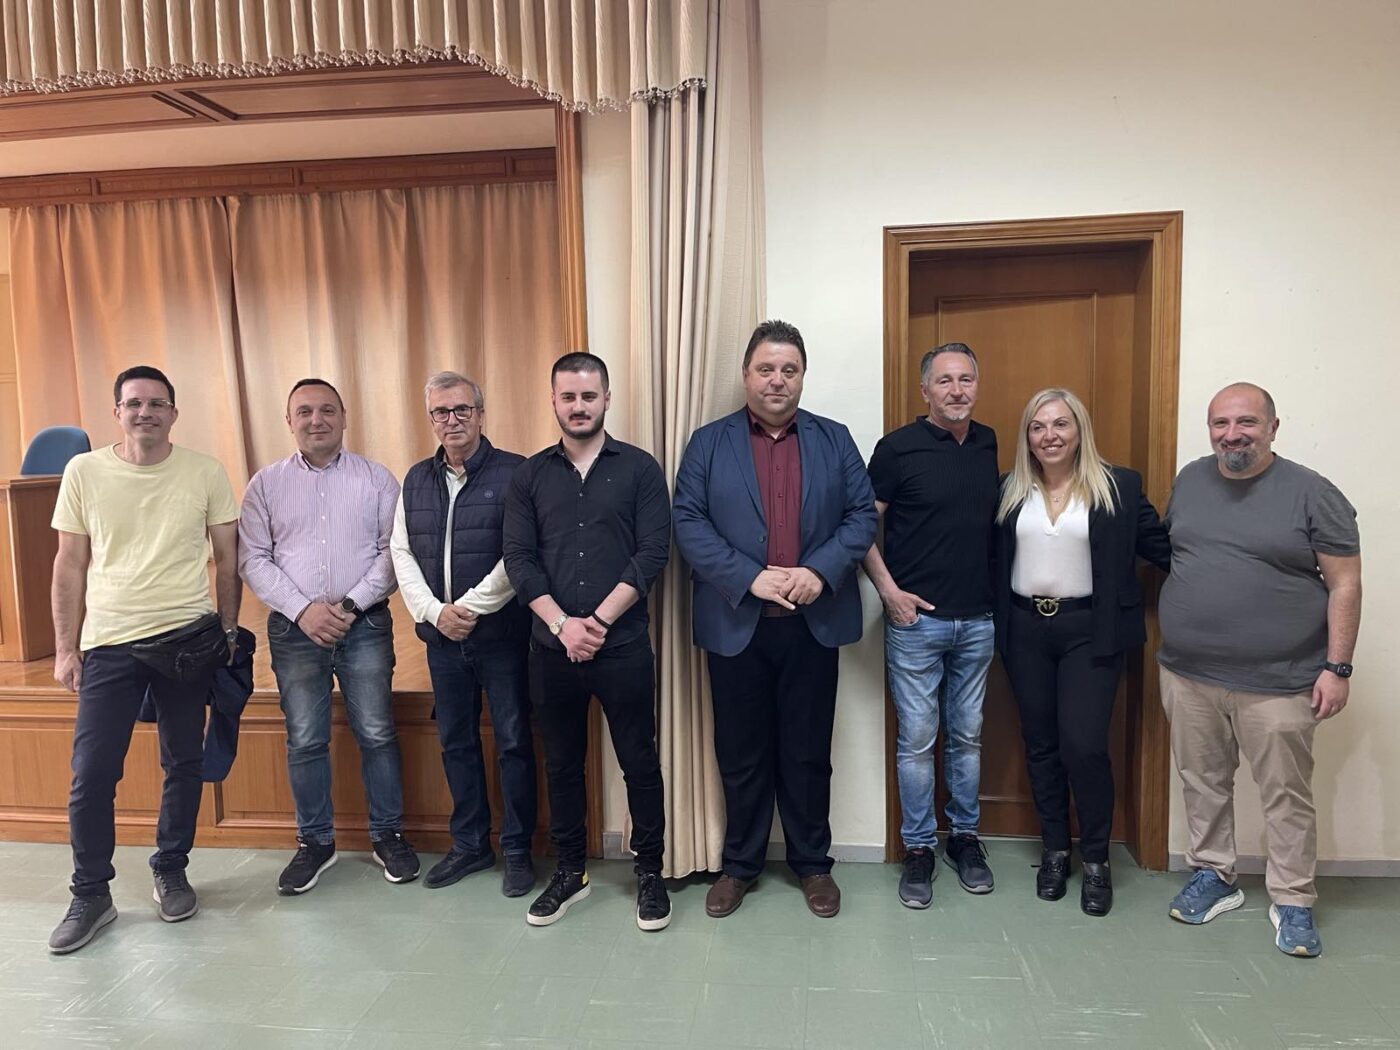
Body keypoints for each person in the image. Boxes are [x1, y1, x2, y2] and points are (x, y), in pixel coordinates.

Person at [674, 320, 877, 920]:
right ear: (746, 375)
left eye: (789, 370)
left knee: (808, 752)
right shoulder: (708, 443)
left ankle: (813, 864)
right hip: (736, 622)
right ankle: (740, 866)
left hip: (813, 623)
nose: (777, 380)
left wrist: (819, 570)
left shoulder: (835, 439)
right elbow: (688, 521)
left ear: (802, 376)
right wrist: (748, 577)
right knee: (741, 753)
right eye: (766, 369)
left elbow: (862, 517)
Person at [1159, 383, 1361, 957]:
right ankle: (1214, 874)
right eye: (1220, 424)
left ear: (1273, 427)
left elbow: (1345, 583)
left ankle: (1293, 899)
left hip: (1280, 681)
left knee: (1285, 795)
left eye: (1246, 422)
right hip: (1188, 674)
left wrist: (1338, 667)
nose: (1232, 435)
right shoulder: (1190, 480)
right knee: (1202, 782)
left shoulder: (1312, 492)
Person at [48, 366, 241, 954]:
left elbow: (228, 559)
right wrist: (65, 647)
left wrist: (229, 631)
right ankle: (90, 893)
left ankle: (171, 868)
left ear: (174, 413)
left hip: (187, 640)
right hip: (109, 642)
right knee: (91, 774)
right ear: (117, 412)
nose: (145, 412)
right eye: (134, 403)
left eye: (157, 403)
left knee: (183, 762)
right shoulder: (83, 471)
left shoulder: (205, 470)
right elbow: (69, 564)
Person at [502, 352, 672, 931]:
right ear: (553, 401)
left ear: (607, 399)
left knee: (640, 763)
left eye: (589, 396)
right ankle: (570, 872)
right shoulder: (529, 476)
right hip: (551, 652)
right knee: (562, 766)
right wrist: (562, 626)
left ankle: (649, 871)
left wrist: (595, 622)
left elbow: (652, 552)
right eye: (569, 397)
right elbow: (519, 560)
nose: (579, 406)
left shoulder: (641, 470)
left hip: (622, 648)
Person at [992, 388, 1170, 916]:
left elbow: (1163, 549)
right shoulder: (1008, 490)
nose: (1049, 435)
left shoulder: (1118, 487)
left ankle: (1095, 858)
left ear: (1079, 431)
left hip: (1090, 631)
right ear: (1027, 436)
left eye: (1060, 424)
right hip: (1025, 629)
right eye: (1038, 426)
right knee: (1040, 744)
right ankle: (1054, 850)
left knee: (1084, 745)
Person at [239, 378, 418, 895]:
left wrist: (348, 606)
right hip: (294, 630)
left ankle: (388, 835)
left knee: (377, 732)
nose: (316, 420)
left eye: (326, 411)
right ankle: (315, 842)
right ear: (288, 420)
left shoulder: (377, 479)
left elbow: (393, 553)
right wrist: (303, 611)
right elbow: (254, 558)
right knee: (305, 738)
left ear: (343, 417)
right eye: (304, 412)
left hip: (365, 624)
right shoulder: (266, 485)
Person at [390, 371, 537, 896]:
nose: (451, 420)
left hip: (502, 638)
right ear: (430, 418)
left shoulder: (517, 473)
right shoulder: (415, 479)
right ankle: (471, 845)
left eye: (461, 410)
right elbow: (401, 551)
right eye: (440, 412)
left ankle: (517, 849)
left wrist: (467, 609)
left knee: (514, 742)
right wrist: (434, 613)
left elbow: (519, 553)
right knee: (455, 742)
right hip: (442, 641)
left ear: (480, 413)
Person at [863, 342, 999, 908]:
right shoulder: (896, 449)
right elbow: (860, 528)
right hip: (916, 624)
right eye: (944, 381)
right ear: (925, 390)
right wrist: (889, 593)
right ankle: (918, 848)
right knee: (917, 741)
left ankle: (964, 839)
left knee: (967, 737)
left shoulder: (989, 443)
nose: (956, 390)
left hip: (980, 621)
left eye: (966, 379)